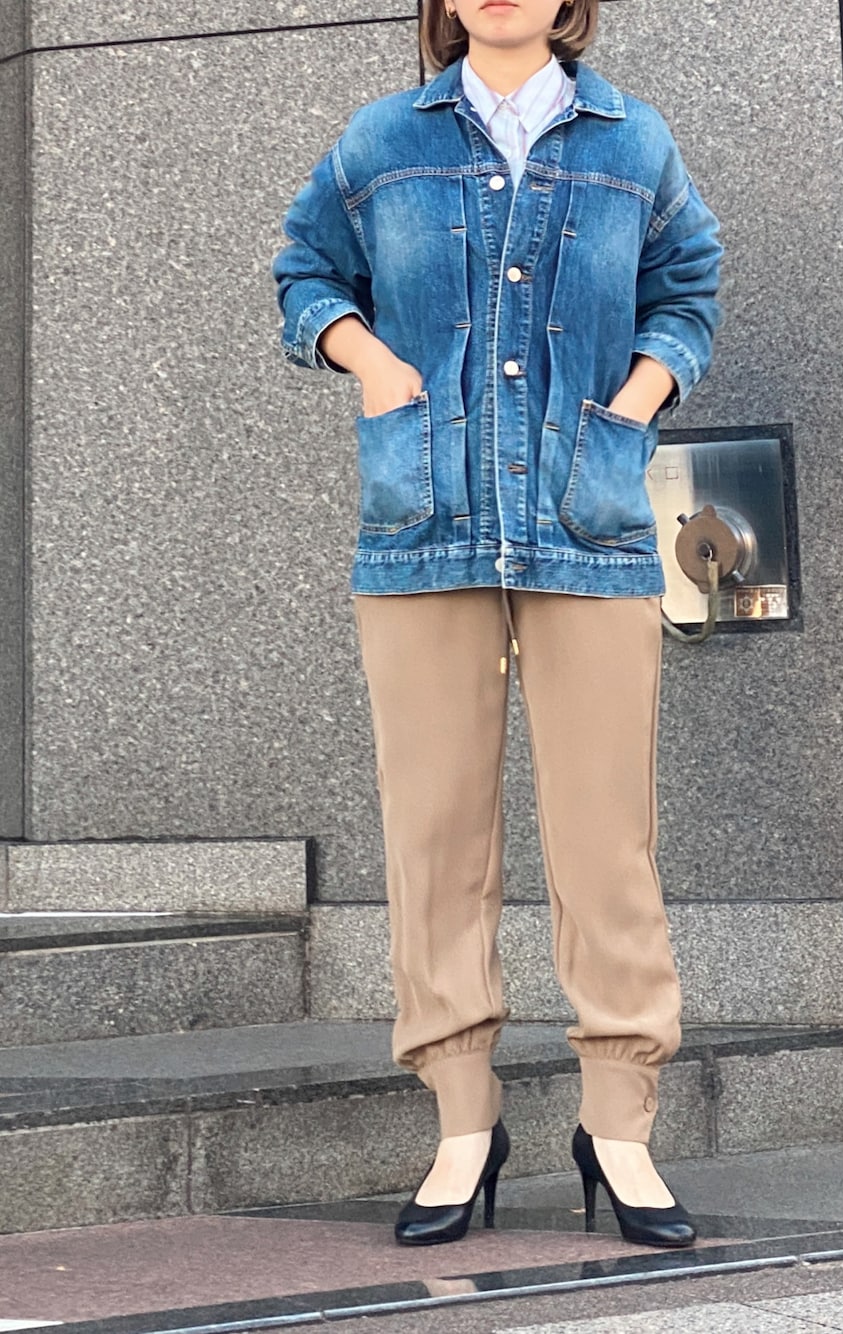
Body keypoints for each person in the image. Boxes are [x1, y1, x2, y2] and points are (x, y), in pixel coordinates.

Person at [273, 0, 722, 1249]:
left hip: (589, 522)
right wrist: (373, 364)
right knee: (433, 833)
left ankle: (618, 1128)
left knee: (605, 838)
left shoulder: (631, 141)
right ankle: (462, 1123)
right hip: (425, 524)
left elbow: (688, 284)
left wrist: (634, 399)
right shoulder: (384, 139)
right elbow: (304, 268)